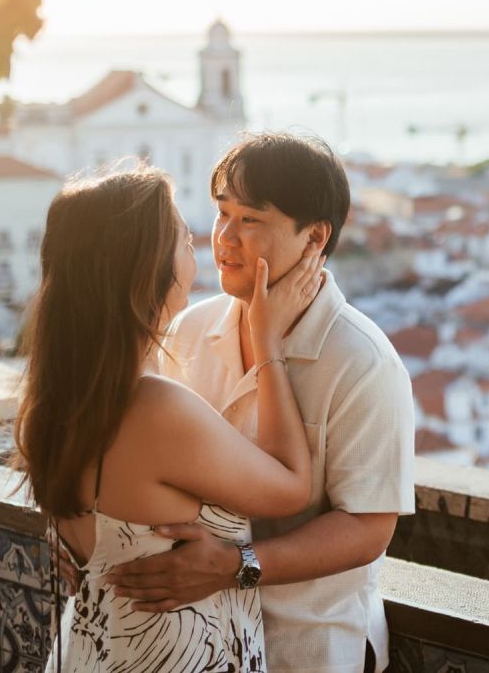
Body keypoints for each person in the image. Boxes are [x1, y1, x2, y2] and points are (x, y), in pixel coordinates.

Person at [106, 133, 416, 673]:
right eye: (222, 213)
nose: (224, 238)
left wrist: (233, 566)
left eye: (250, 219)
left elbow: (369, 528)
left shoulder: (362, 361)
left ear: (314, 236)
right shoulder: (192, 328)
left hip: (308, 644)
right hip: (196, 636)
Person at [14, 166, 323, 671]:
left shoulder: (55, 401)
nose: (200, 240)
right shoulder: (153, 408)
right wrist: (267, 342)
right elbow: (291, 487)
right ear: (147, 269)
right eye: (182, 236)